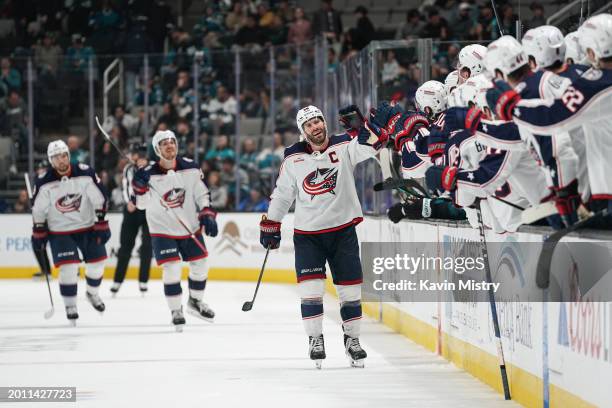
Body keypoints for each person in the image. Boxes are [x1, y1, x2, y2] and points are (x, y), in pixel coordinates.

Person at [259, 104, 389, 368]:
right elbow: (283, 194)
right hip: (309, 236)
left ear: (324, 122)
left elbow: (375, 145)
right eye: (309, 125)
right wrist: (272, 222)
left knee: (350, 291)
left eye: (318, 120)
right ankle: (315, 339)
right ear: (303, 131)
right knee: (311, 292)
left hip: (343, 231)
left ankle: (352, 341)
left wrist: (365, 128)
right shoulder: (292, 157)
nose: (315, 126)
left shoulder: (345, 145)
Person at [132, 130, 218, 331]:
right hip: (162, 230)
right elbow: (141, 205)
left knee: (201, 264)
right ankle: (175, 310)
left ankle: (195, 302)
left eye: (172, 142)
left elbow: (202, 194)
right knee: (172, 268)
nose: (170, 145)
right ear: (157, 149)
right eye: (164, 143)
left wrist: (207, 212)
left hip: (189, 227)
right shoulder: (147, 174)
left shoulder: (191, 168)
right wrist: (139, 188)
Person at [31, 140, 110, 324]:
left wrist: (101, 223)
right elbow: (38, 210)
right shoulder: (44, 182)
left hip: (88, 227)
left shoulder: (85, 173)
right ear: (51, 160)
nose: (62, 159)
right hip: (60, 231)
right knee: (68, 268)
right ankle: (70, 305)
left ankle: (92, 293)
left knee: (98, 264)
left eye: (64, 155)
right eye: (57, 157)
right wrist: (39, 230)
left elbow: (100, 198)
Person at [111, 144, 152, 296]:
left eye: (142, 158)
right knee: (126, 245)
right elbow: (126, 186)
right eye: (137, 157)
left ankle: (143, 281)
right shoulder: (128, 169)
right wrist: (130, 201)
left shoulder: (153, 168)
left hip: (149, 211)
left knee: (148, 246)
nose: (140, 160)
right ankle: (117, 281)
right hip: (132, 211)